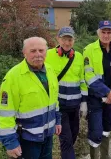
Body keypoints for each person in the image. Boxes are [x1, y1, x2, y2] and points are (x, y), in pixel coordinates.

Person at [0, 37, 61, 159]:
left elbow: (54, 100)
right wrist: (10, 142)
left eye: (41, 50)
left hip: (47, 136)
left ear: (46, 51)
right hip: (26, 139)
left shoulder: (50, 70)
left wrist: (57, 120)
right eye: (33, 51)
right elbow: (5, 114)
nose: (38, 54)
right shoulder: (13, 77)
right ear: (24, 53)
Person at [83, 20, 111, 159]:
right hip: (96, 98)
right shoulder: (89, 49)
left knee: (107, 127)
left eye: (109, 32)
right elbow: (88, 76)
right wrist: (108, 93)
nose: (106, 35)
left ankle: (105, 156)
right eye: (103, 32)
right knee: (95, 131)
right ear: (98, 33)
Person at [45, 26, 87, 159]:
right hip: (59, 108)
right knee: (66, 140)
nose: (67, 43)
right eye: (64, 39)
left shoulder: (79, 57)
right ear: (58, 39)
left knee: (73, 136)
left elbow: (82, 81)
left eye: (70, 39)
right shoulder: (48, 55)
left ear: (74, 40)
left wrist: (84, 102)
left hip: (75, 107)